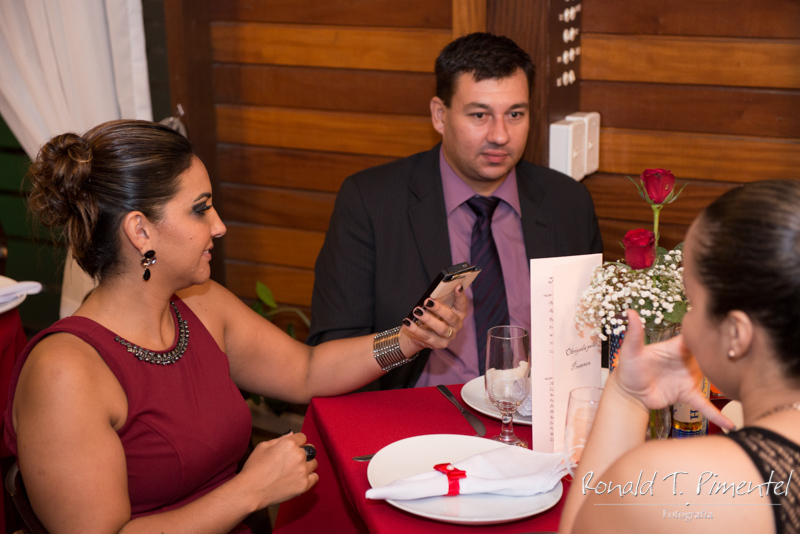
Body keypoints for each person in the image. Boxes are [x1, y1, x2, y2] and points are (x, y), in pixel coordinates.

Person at [3, 119, 467, 533]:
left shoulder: (201, 305)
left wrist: (408, 340)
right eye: (200, 209)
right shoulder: (65, 373)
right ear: (140, 230)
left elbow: (306, 371)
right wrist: (249, 491)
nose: (219, 226)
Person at [308, 32, 603, 390]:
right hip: (416, 414)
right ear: (439, 115)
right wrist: (408, 340)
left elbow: (590, 342)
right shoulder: (371, 202)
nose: (500, 135)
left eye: (515, 114)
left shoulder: (568, 203)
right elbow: (331, 354)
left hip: (535, 411)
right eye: (480, 115)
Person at [560, 179, 800, 534]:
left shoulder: (674, 486)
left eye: (691, 301)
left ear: (736, 334)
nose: (685, 321)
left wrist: (626, 397)